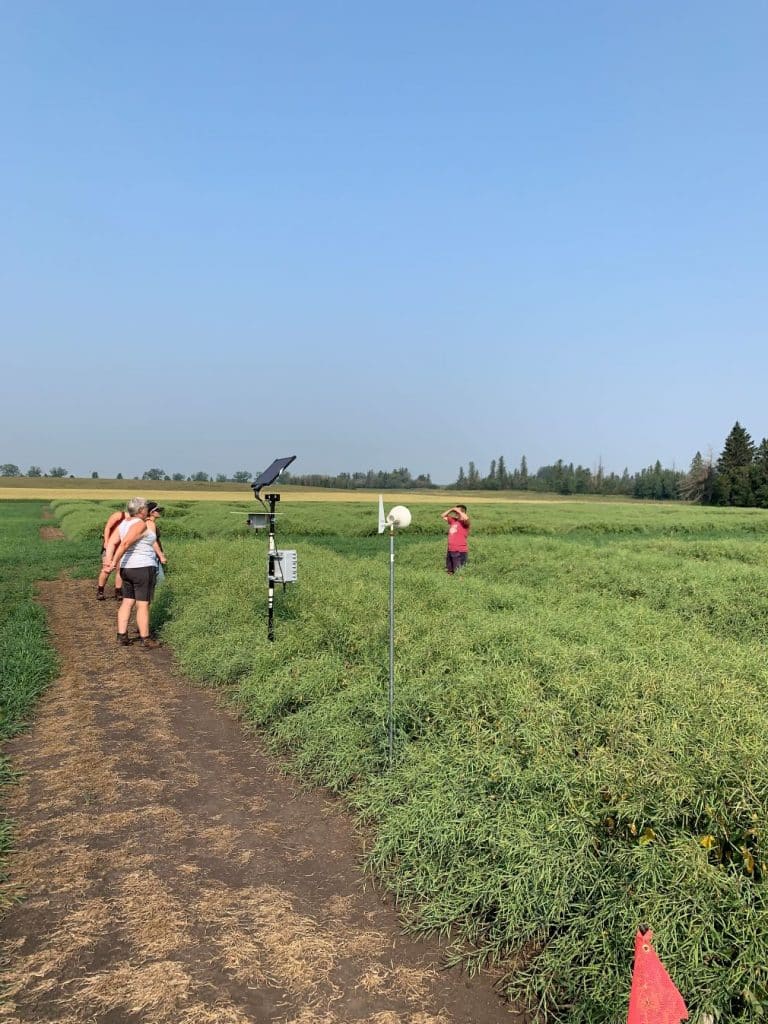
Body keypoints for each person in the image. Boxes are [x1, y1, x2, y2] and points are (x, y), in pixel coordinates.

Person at [105, 497, 167, 648]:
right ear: (140, 510)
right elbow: (125, 543)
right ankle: (145, 639)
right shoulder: (139, 523)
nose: (147, 509)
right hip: (142, 568)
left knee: (127, 601)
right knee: (143, 604)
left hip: (127, 568)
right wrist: (112, 562)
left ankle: (122, 635)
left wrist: (108, 560)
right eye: (146, 507)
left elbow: (112, 543)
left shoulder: (124, 523)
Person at [97, 506, 128, 600]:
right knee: (107, 568)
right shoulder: (119, 515)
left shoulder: (135, 521)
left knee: (120, 569)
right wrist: (106, 542)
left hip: (121, 548)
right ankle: (100, 591)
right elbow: (107, 527)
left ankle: (118, 592)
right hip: (110, 546)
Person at [441, 504, 470, 574]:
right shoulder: (453, 521)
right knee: (449, 570)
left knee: (459, 572)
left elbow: (466, 518)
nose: (455, 513)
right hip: (451, 549)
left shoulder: (465, 523)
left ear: (463, 513)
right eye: (455, 512)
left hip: (460, 550)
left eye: (457, 512)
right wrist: (451, 509)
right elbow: (442, 516)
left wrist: (459, 512)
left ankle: (460, 584)